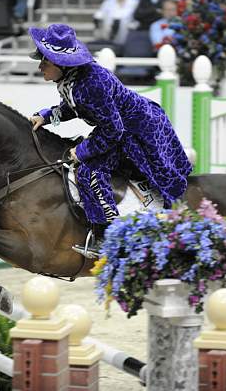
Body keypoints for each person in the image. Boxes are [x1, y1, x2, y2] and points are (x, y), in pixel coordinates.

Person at [28, 24, 192, 248]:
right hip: (119, 128)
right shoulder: (72, 79)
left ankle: (108, 236)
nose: (40, 67)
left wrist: (83, 151)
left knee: (89, 171)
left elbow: (114, 130)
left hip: (138, 130)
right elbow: (72, 108)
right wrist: (46, 117)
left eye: (44, 62)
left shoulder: (91, 84)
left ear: (59, 63)